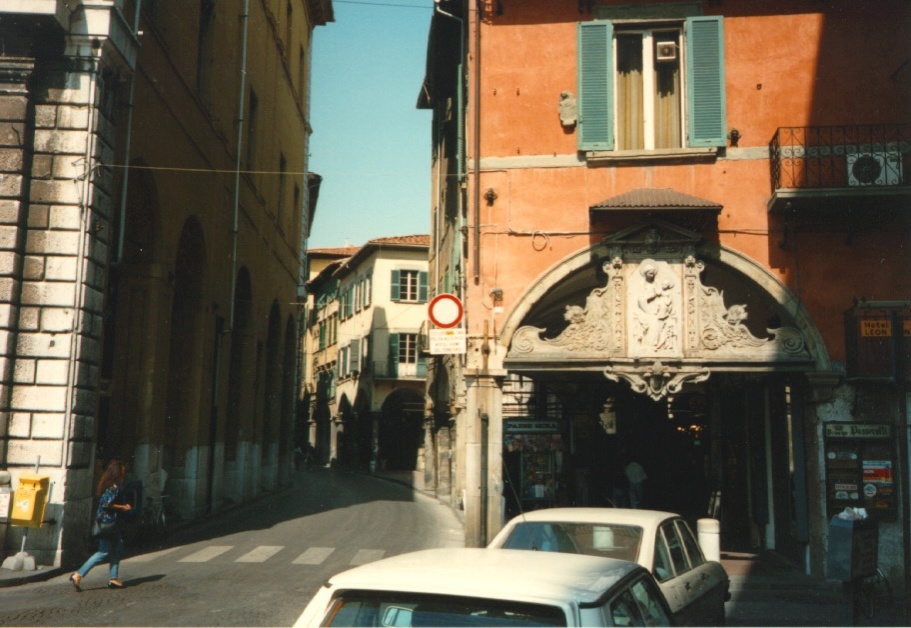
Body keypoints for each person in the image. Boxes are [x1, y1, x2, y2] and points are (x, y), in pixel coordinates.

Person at [70, 459, 132, 590]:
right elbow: (106, 504)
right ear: (117, 473)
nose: (124, 473)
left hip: (105, 522)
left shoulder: (107, 485)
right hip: (108, 523)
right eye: (122, 471)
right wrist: (123, 507)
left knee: (117, 546)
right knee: (103, 552)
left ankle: (113, 578)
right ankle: (79, 574)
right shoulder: (114, 487)